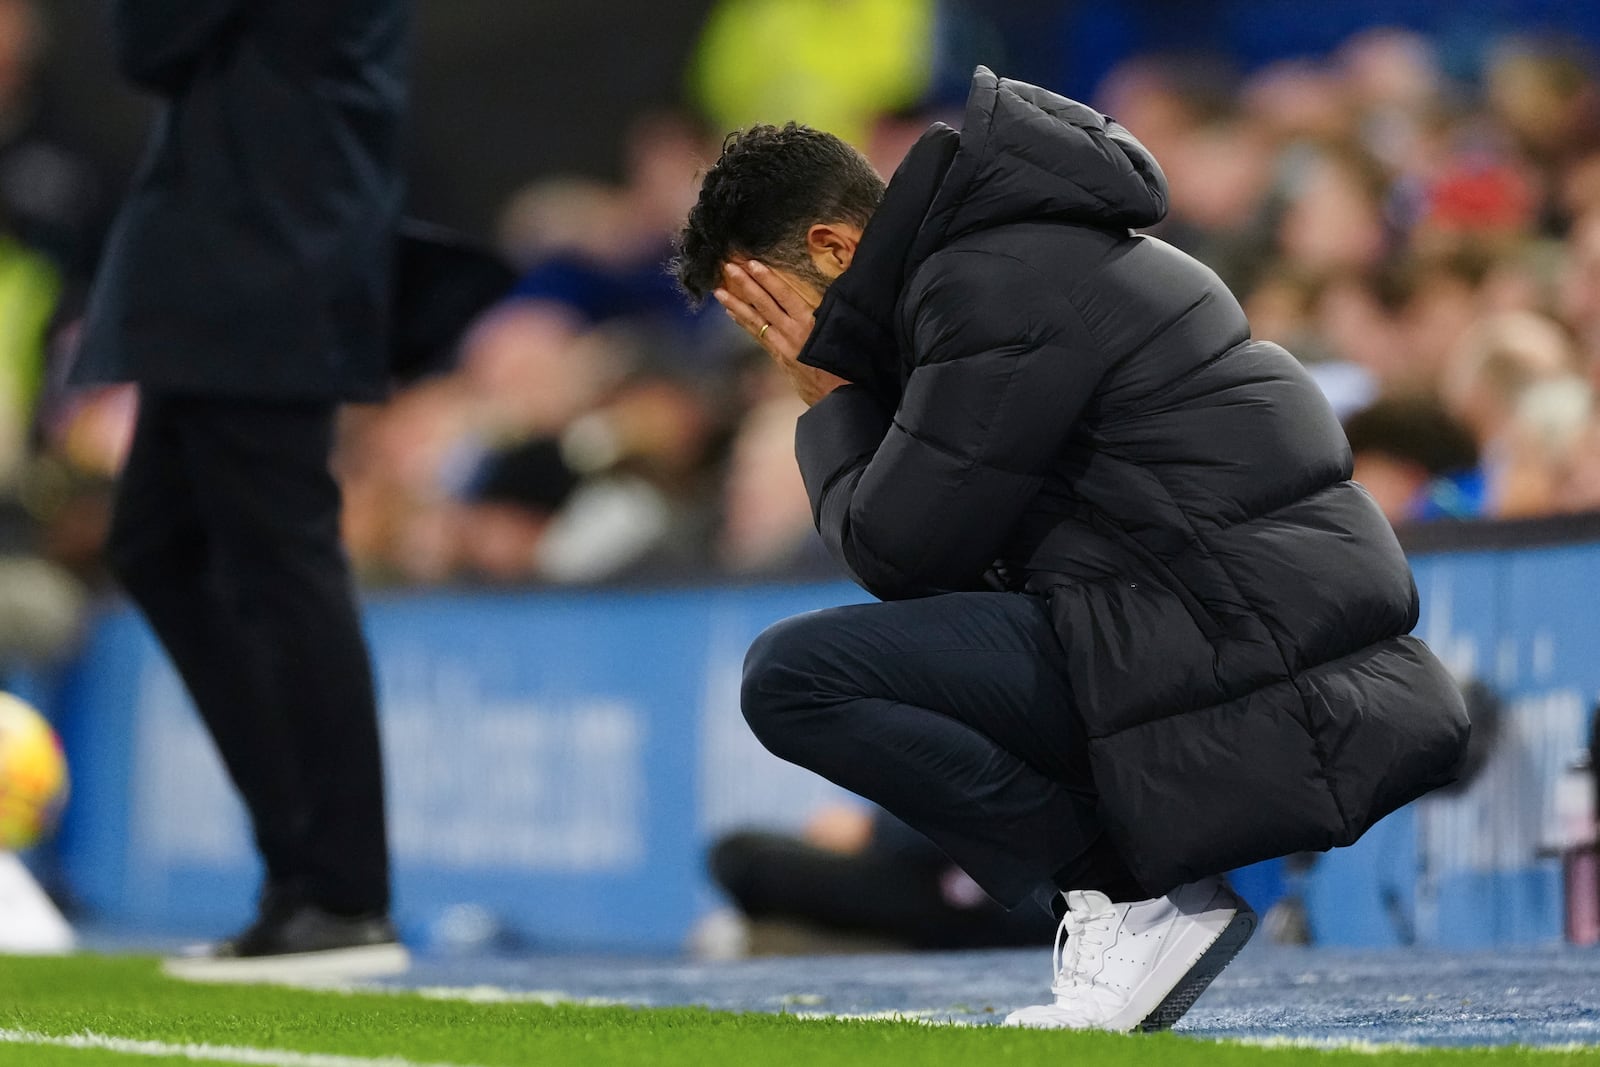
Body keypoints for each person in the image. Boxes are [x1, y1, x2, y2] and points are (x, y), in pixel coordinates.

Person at [674, 67, 1470, 1032]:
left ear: (834, 245)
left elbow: (898, 553)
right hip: (1208, 631)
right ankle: (1127, 898)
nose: (785, 344)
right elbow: (954, 567)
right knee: (845, 669)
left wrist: (832, 398)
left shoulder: (986, 283)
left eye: (774, 312)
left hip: (1237, 652)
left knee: (794, 677)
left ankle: (1128, 900)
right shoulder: (1005, 261)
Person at [71, 1, 411, 979]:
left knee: (285, 556)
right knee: (161, 546)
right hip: (253, 248)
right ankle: (308, 877)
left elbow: (150, 40)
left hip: (264, 255)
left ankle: (342, 890)